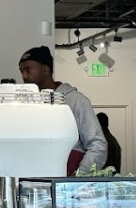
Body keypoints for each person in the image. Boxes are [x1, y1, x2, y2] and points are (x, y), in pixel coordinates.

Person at [19, 46, 107, 174]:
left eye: (28, 69)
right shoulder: (27, 103)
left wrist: (80, 176)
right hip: (35, 182)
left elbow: (98, 145)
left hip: (67, 186)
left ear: (45, 69)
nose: (24, 76)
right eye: (21, 71)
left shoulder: (76, 101)